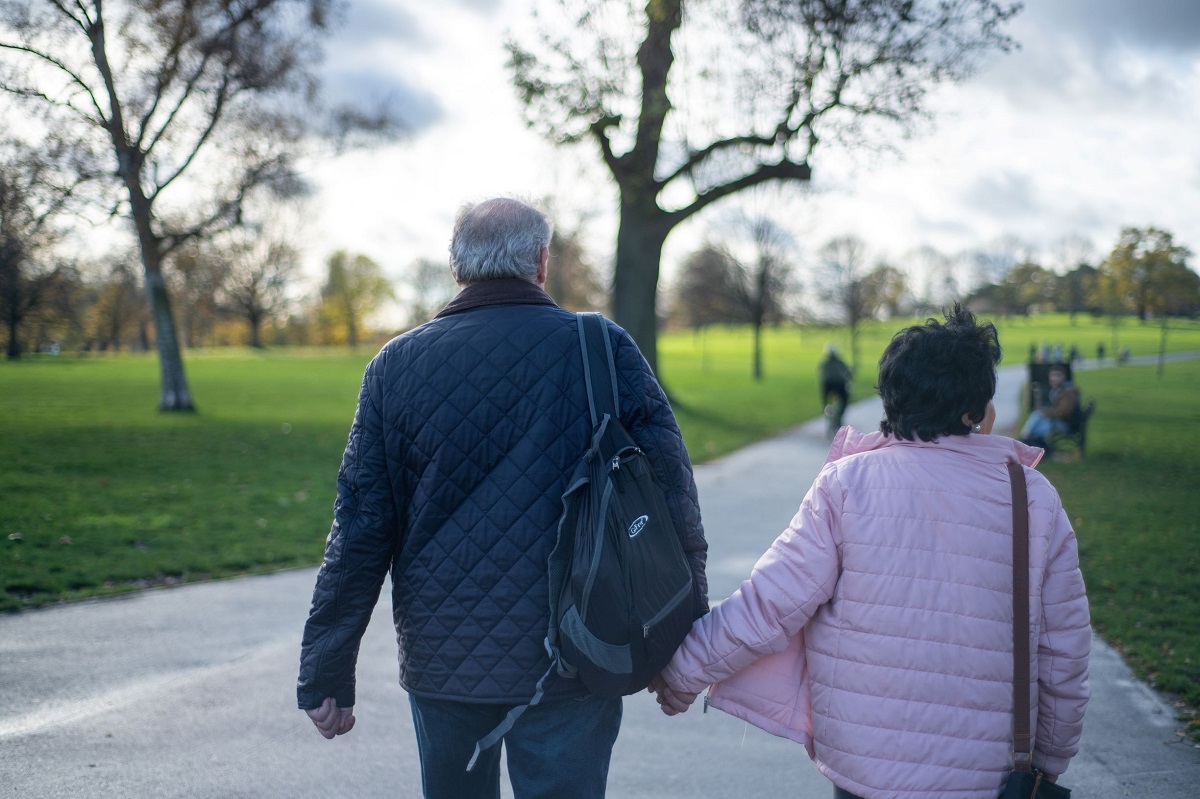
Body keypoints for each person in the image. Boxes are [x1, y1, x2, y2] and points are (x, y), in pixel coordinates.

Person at [297, 197, 709, 798]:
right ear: (541, 262)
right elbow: (672, 501)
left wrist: (326, 666)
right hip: (579, 651)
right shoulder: (600, 346)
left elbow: (359, 527)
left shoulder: (394, 367)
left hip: (444, 662)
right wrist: (687, 644)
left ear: (457, 266)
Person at [651, 305, 1090, 799]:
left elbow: (769, 603)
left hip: (867, 768)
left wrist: (683, 670)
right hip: (988, 773)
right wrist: (1051, 756)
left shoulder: (847, 484)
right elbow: (1064, 648)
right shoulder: (1030, 496)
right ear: (975, 412)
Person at [1019, 364, 1080, 450]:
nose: (1054, 378)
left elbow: (1064, 412)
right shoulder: (1060, 390)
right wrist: (1046, 411)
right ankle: (1027, 442)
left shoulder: (1067, 392)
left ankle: (1024, 441)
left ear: (1064, 377)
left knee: (1035, 428)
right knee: (1037, 416)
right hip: (1060, 422)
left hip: (1066, 425)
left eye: (1057, 375)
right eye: (1052, 375)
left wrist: (1047, 412)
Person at [818, 345, 853, 430]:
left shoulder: (824, 364)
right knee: (844, 400)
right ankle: (838, 417)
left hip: (828, 386)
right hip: (839, 385)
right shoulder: (840, 363)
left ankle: (827, 410)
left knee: (825, 400)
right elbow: (848, 374)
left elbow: (821, 375)